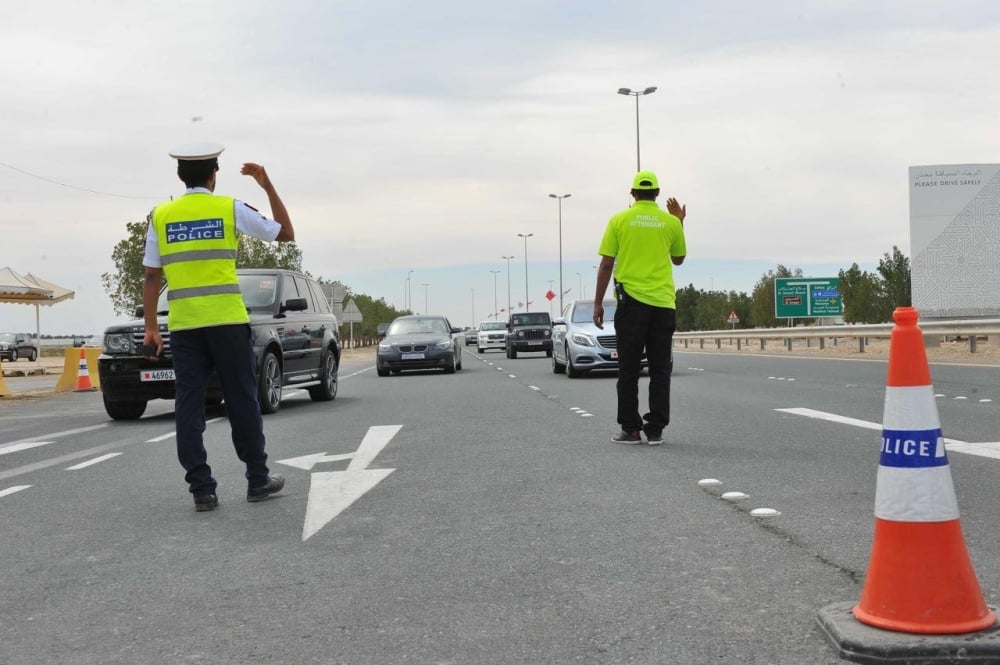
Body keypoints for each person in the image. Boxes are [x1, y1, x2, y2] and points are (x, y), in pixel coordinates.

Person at [142, 142, 294, 511]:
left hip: (185, 328)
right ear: (213, 175)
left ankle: (202, 490)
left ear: (180, 176)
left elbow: (150, 277)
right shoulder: (228, 208)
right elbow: (285, 233)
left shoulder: (161, 215)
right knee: (242, 400)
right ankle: (257, 480)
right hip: (227, 322)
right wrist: (267, 185)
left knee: (189, 407)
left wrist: (151, 327)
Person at [592, 170, 686, 445]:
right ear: (657, 193)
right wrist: (680, 222)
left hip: (631, 304)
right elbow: (678, 259)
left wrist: (598, 303)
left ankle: (631, 429)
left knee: (629, 369)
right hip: (663, 305)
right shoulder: (670, 223)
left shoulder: (619, 220)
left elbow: (607, 264)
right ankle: (655, 429)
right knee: (659, 369)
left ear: (632, 194)